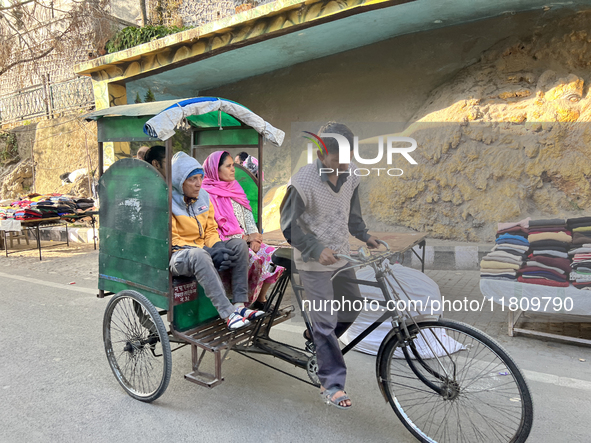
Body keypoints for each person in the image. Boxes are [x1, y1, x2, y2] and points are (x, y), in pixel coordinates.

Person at [280, 122, 379, 409]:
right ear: (322, 155)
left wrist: (366, 235)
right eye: (336, 160)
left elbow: (352, 214)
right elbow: (288, 226)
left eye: (347, 158)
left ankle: (318, 339)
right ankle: (332, 382)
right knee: (325, 320)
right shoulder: (303, 182)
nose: (342, 166)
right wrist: (315, 248)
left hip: (341, 256)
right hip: (313, 260)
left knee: (352, 306)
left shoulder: (351, 173)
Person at [169, 151, 265, 330]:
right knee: (199, 254)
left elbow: (211, 230)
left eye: (200, 178)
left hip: (200, 249)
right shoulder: (168, 203)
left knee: (238, 245)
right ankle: (228, 313)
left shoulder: (203, 197)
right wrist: (208, 251)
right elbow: (172, 239)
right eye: (192, 180)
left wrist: (218, 246)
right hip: (179, 255)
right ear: (179, 181)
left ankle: (239, 306)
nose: (198, 184)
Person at [202, 151, 284, 310]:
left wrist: (254, 238)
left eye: (233, 165)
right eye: (228, 166)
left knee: (275, 256)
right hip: (225, 243)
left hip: (246, 239)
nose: (233, 169)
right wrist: (246, 238)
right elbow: (214, 230)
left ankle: (261, 299)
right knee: (254, 259)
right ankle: (242, 305)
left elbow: (247, 215)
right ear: (215, 170)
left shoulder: (234, 187)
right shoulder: (205, 193)